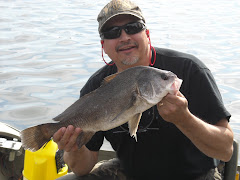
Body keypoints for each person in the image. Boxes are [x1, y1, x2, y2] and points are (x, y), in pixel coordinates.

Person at [54, 0, 234, 179]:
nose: (124, 37)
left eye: (133, 27)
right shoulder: (96, 86)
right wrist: (72, 147)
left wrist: (184, 119)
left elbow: (225, 151)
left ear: (146, 34)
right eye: (113, 32)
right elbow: (82, 169)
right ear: (104, 46)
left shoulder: (189, 70)